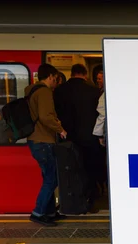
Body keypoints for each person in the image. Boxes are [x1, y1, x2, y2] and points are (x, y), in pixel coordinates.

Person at [53, 63, 101, 211]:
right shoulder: (94, 91)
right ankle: (90, 201)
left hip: (67, 138)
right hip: (90, 138)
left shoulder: (59, 91)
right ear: (85, 74)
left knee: (70, 170)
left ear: (72, 74)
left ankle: (72, 202)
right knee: (89, 169)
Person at [26, 63, 67, 227]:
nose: (56, 81)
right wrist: (61, 129)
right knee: (52, 178)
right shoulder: (44, 92)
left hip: (35, 140)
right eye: (55, 78)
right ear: (50, 76)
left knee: (48, 177)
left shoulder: (31, 90)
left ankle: (49, 212)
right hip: (44, 140)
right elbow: (46, 116)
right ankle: (38, 212)